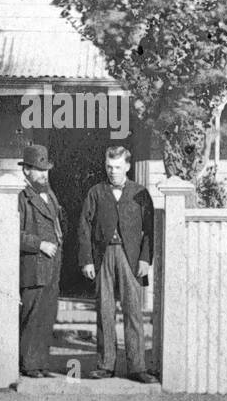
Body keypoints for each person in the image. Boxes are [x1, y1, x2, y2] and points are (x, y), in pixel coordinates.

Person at [78, 145, 157, 383]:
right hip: (103, 257)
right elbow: (84, 227)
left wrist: (145, 258)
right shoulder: (96, 192)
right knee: (105, 311)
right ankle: (105, 365)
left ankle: (137, 367)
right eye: (109, 167)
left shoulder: (140, 193)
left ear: (128, 167)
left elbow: (149, 230)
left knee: (133, 312)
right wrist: (87, 260)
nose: (113, 172)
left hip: (130, 258)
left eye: (118, 167)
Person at [18, 144, 63, 378]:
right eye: (38, 170)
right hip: (34, 266)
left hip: (51, 267)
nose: (44, 174)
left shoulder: (49, 193)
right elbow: (13, 233)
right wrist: (40, 245)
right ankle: (28, 364)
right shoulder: (22, 197)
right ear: (26, 170)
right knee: (32, 317)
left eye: (46, 170)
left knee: (46, 316)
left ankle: (40, 363)